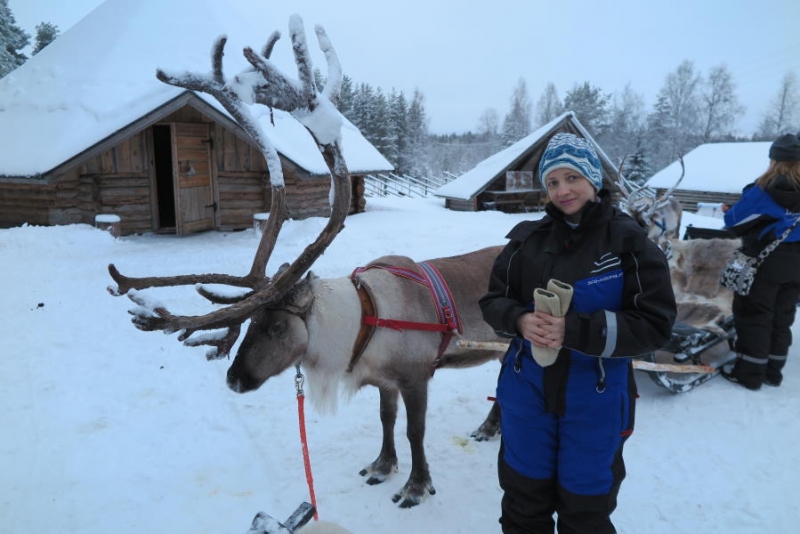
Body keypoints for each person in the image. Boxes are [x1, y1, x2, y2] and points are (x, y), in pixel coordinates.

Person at [479, 132, 677, 534]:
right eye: (552, 182)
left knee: (585, 513)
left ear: (593, 179)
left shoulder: (629, 243)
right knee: (522, 504)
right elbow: (492, 301)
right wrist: (518, 320)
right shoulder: (525, 242)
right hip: (526, 391)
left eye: (572, 178)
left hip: (596, 398)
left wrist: (574, 330)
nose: (563, 189)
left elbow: (655, 324)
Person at [720, 133, 800, 390]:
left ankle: (750, 375)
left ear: (775, 159)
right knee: (782, 317)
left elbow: (733, 222)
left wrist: (737, 208)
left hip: (766, 263)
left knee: (754, 316)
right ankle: (773, 372)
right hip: (797, 264)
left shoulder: (764, 191)